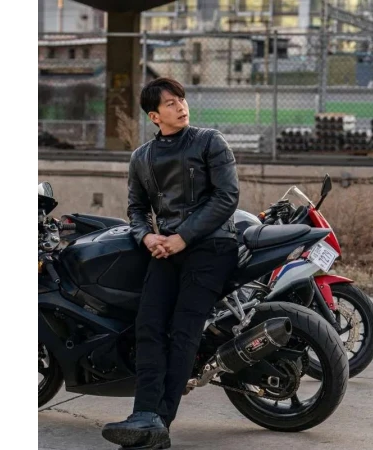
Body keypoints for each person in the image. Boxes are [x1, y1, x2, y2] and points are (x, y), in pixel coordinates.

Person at [102, 77, 240, 449]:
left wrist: (183, 237)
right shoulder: (141, 157)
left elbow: (227, 197)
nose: (181, 106)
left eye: (181, 99)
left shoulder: (210, 141)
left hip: (211, 246)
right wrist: (146, 236)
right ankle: (144, 416)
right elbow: (136, 209)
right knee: (147, 326)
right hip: (165, 249)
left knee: (183, 331)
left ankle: (159, 421)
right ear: (154, 116)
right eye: (170, 103)